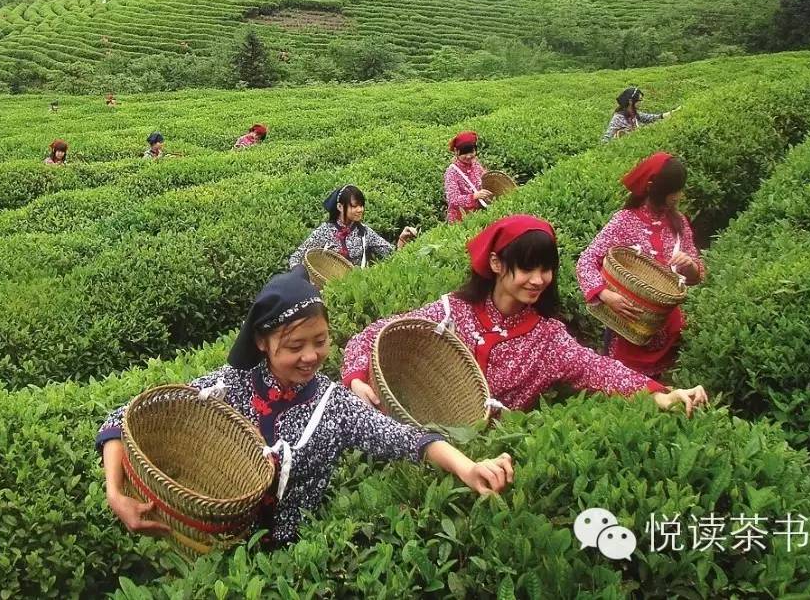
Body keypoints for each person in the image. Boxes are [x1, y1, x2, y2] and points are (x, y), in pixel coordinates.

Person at [96, 268, 514, 546]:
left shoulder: (333, 406)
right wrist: (116, 493)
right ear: (263, 342)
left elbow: (405, 438)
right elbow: (121, 420)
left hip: (292, 555)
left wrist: (466, 466)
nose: (311, 357)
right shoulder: (228, 386)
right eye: (295, 346)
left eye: (321, 342)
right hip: (211, 547)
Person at [342, 215, 709, 415]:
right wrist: (358, 379)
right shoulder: (454, 310)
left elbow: (598, 369)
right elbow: (375, 333)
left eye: (546, 269)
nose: (538, 281)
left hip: (485, 459)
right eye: (527, 269)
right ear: (497, 263)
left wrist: (662, 394)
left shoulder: (547, 338)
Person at [577, 153, 706, 377]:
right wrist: (605, 295)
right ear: (652, 187)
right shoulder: (624, 221)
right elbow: (586, 262)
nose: (679, 196)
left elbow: (695, 276)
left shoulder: (679, 222)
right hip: (628, 329)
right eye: (674, 190)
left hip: (668, 330)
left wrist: (690, 267)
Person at [289, 185, 417, 269]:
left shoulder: (364, 232)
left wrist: (402, 240)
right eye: (354, 206)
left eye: (361, 205)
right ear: (340, 207)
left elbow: (392, 255)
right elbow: (295, 258)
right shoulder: (323, 232)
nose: (360, 210)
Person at [444, 131, 492, 223]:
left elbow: (485, 181)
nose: (469, 156)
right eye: (464, 153)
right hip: (461, 220)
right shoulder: (452, 172)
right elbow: (453, 199)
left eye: (472, 152)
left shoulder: (476, 165)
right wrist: (473, 196)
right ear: (456, 152)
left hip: (479, 215)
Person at [602, 87, 671, 142]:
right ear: (630, 101)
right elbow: (605, 140)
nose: (641, 102)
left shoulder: (635, 114)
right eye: (640, 100)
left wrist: (673, 112)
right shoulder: (618, 118)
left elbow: (652, 117)